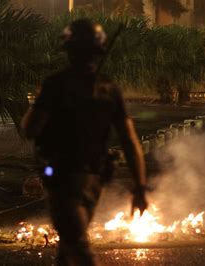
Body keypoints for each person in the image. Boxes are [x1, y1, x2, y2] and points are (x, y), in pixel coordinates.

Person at [21, 19, 148, 266]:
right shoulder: (109, 89)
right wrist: (140, 188)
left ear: (68, 50)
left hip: (63, 180)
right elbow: (130, 142)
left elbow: (30, 128)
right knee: (67, 253)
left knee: (78, 249)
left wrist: (38, 104)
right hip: (94, 181)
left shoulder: (56, 85)